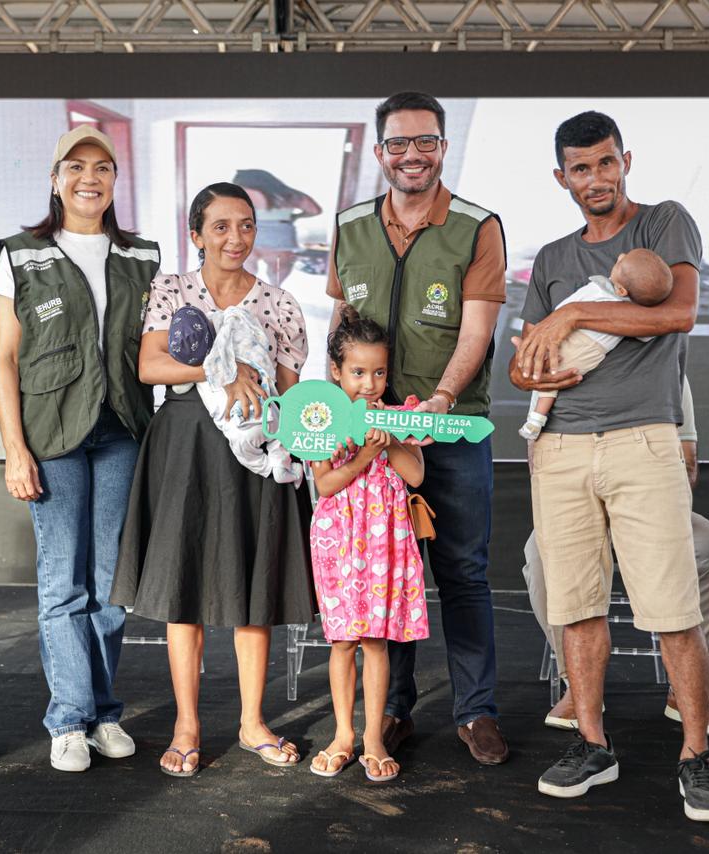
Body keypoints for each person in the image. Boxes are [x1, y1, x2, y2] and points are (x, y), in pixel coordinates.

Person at [511, 110, 709, 822]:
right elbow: (523, 365)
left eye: (606, 162)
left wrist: (573, 318)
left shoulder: (664, 222)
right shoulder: (552, 258)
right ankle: (591, 744)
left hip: (643, 440)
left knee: (674, 609)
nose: (596, 178)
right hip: (560, 448)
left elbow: (678, 314)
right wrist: (532, 367)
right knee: (576, 606)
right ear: (562, 178)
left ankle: (696, 755)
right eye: (581, 168)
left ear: (625, 161)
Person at [328, 91, 509, 765]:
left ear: (443, 147)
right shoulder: (350, 227)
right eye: (399, 143)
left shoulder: (477, 227)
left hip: (450, 431)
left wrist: (441, 398)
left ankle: (477, 711)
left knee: (463, 571)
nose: (413, 154)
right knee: (385, 572)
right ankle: (393, 708)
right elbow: (341, 329)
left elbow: (478, 330)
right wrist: (341, 415)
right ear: (380, 153)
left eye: (425, 141)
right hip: (372, 440)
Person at [111, 182, 313, 778]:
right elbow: (150, 365)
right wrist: (220, 372)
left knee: (255, 589)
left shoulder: (280, 303)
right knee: (185, 586)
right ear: (196, 234)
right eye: (221, 226)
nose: (235, 238)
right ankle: (187, 726)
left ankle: (252, 723)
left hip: (254, 452)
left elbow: (287, 392)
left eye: (246, 225)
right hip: (186, 447)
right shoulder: (172, 289)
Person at [0, 126, 160, 773]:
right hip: (52, 437)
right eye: (76, 166)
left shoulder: (143, 256)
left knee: (111, 586)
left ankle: (104, 713)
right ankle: (68, 719)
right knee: (63, 583)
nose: (90, 178)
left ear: (115, 180)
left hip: (122, 433)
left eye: (103, 167)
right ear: (56, 178)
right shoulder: (19, 254)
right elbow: (3, 360)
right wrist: (15, 450)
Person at [522, 377, 709, 735]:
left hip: (650, 505)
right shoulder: (560, 364)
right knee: (540, 555)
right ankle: (577, 686)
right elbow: (538, 458)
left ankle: (684, 690)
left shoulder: (666, 370)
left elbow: (687, 462)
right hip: (577, 503)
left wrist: (642, 510)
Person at [308, 311, 428, 783]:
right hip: (338, 539)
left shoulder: (397, 416)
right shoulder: (321, 420)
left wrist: (390, 439)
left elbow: (415, 475)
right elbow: (325, 484)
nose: (370, 383)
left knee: (376, 641)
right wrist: (365, 454)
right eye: (358, 372)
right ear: (336, 371)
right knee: (343, 641)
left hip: (384, 542)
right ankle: (343, 736)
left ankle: (374, 738)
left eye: (379, 372)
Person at [520, 249, 672, 440]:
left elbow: (565, 309)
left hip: (576, 342)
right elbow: (646, 335)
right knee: (551, 376)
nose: (620, 255)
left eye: (621, 262)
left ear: (621, 290)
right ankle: (536, 419)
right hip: (595, 353)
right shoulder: (633, 311)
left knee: (548, 374)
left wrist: (551, 323)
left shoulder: (598, 290)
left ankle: (536, 420)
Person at [165, 303, 302, 483]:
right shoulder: (232, 344)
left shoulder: (196, 371)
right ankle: (280, 463)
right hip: (267, 415)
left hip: (241, 432)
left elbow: (179, 388)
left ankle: (269, 469)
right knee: (278, 436)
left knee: (247, 455)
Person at [233, 169, 322, 288]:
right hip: (282, 238)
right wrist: (295, 216)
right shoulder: (290, 195)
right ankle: (274, 292)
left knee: (247, 271)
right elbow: (315, 210)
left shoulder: (244, 193)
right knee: (276, 278)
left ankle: (247, 293)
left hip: (253, 237)